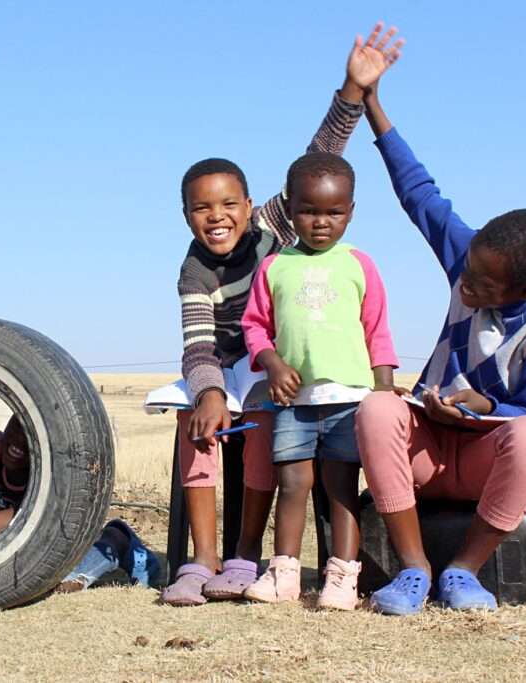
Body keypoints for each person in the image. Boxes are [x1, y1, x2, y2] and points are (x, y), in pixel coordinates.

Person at [162, 23, 404, 607]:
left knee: (274, 422)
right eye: (201, 208)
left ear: (249, 206)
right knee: (192, 423)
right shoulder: (194, 271)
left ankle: (249, 556)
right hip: (229, 366)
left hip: (278, 365)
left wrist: (352, 90)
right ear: (186, 215)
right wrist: (209, 394)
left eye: (228, 205)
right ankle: (201, 560)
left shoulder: (276, 222)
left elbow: (321, 156)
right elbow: (199, 348)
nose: (216, 217)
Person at [354, 82, 526, 615]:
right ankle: (413, 569)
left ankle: (465, 570)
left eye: (481, 285)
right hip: (427, 452)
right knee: (378, 407)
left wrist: (484, 407)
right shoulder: (471, 259)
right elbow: (419, 193)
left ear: (524, 291)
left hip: (483, 457)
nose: (466, 286)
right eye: (468, 272)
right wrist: (373, 107)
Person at [240, 150, 398, 609]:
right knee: (291, 485)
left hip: (350, 400)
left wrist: (383, 395)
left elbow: (378, 331)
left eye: (333, 212)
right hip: (295, 402)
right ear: (290, 210)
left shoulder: (359, 265)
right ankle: (284, 574)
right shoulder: (275, 267)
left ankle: (342, 580)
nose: (320, 222)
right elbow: (254, 326)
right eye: (308, 211)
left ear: (350, 212)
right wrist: (271, 362)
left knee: (341, 489)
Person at [0, 384, 160, 590]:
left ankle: (118, 538)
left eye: (30, 434)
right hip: (7, 546)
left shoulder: (47, 472)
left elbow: (12, 516)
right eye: (16, 426)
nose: (19, 440)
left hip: (49, 544)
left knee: (61, 582)